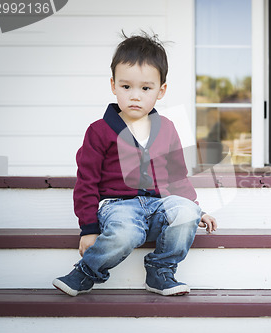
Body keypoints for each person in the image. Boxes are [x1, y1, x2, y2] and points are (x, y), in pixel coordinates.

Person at [53, 31, 217, 297]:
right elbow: (87, 181)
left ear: (161, 90)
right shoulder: (100, 130)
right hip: (118, 208)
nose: (135, 96)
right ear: (113, 85)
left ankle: (161, 271)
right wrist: (89, 229)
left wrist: (198, 210)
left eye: (146, 88)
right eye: (126, 86)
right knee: (125, 231)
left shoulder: (166, 128)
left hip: (156, 205)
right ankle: (86, 272)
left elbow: (176, 175)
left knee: (186, 211)